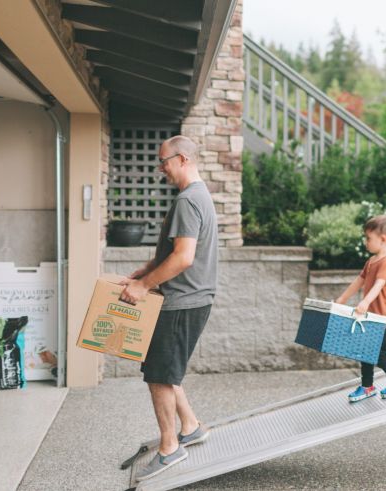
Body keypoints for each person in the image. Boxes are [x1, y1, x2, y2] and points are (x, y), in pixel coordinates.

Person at [119, 135, 219, 481]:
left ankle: (169, 447)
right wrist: (147, 270)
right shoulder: (197, 196)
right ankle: (190, 426)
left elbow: (184, 257)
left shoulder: (188, 201)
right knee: (166, 368)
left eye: (164, 161)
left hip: (182, 301)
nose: (161, 168)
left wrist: (142, 286)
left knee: (160, 375)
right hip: (189, 299)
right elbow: (177, 249)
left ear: (183, 159)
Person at [335, 215, 386, 402]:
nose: (365, 242)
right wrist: (342, 298)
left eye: (368, 238)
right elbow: (359, 281)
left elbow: (379, 284)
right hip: (370, 319)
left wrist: (365, 302)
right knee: (364, 350)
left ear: (383, 239)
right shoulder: (372, 261)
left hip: (383, 321)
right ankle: (367, 386)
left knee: (374, 351)